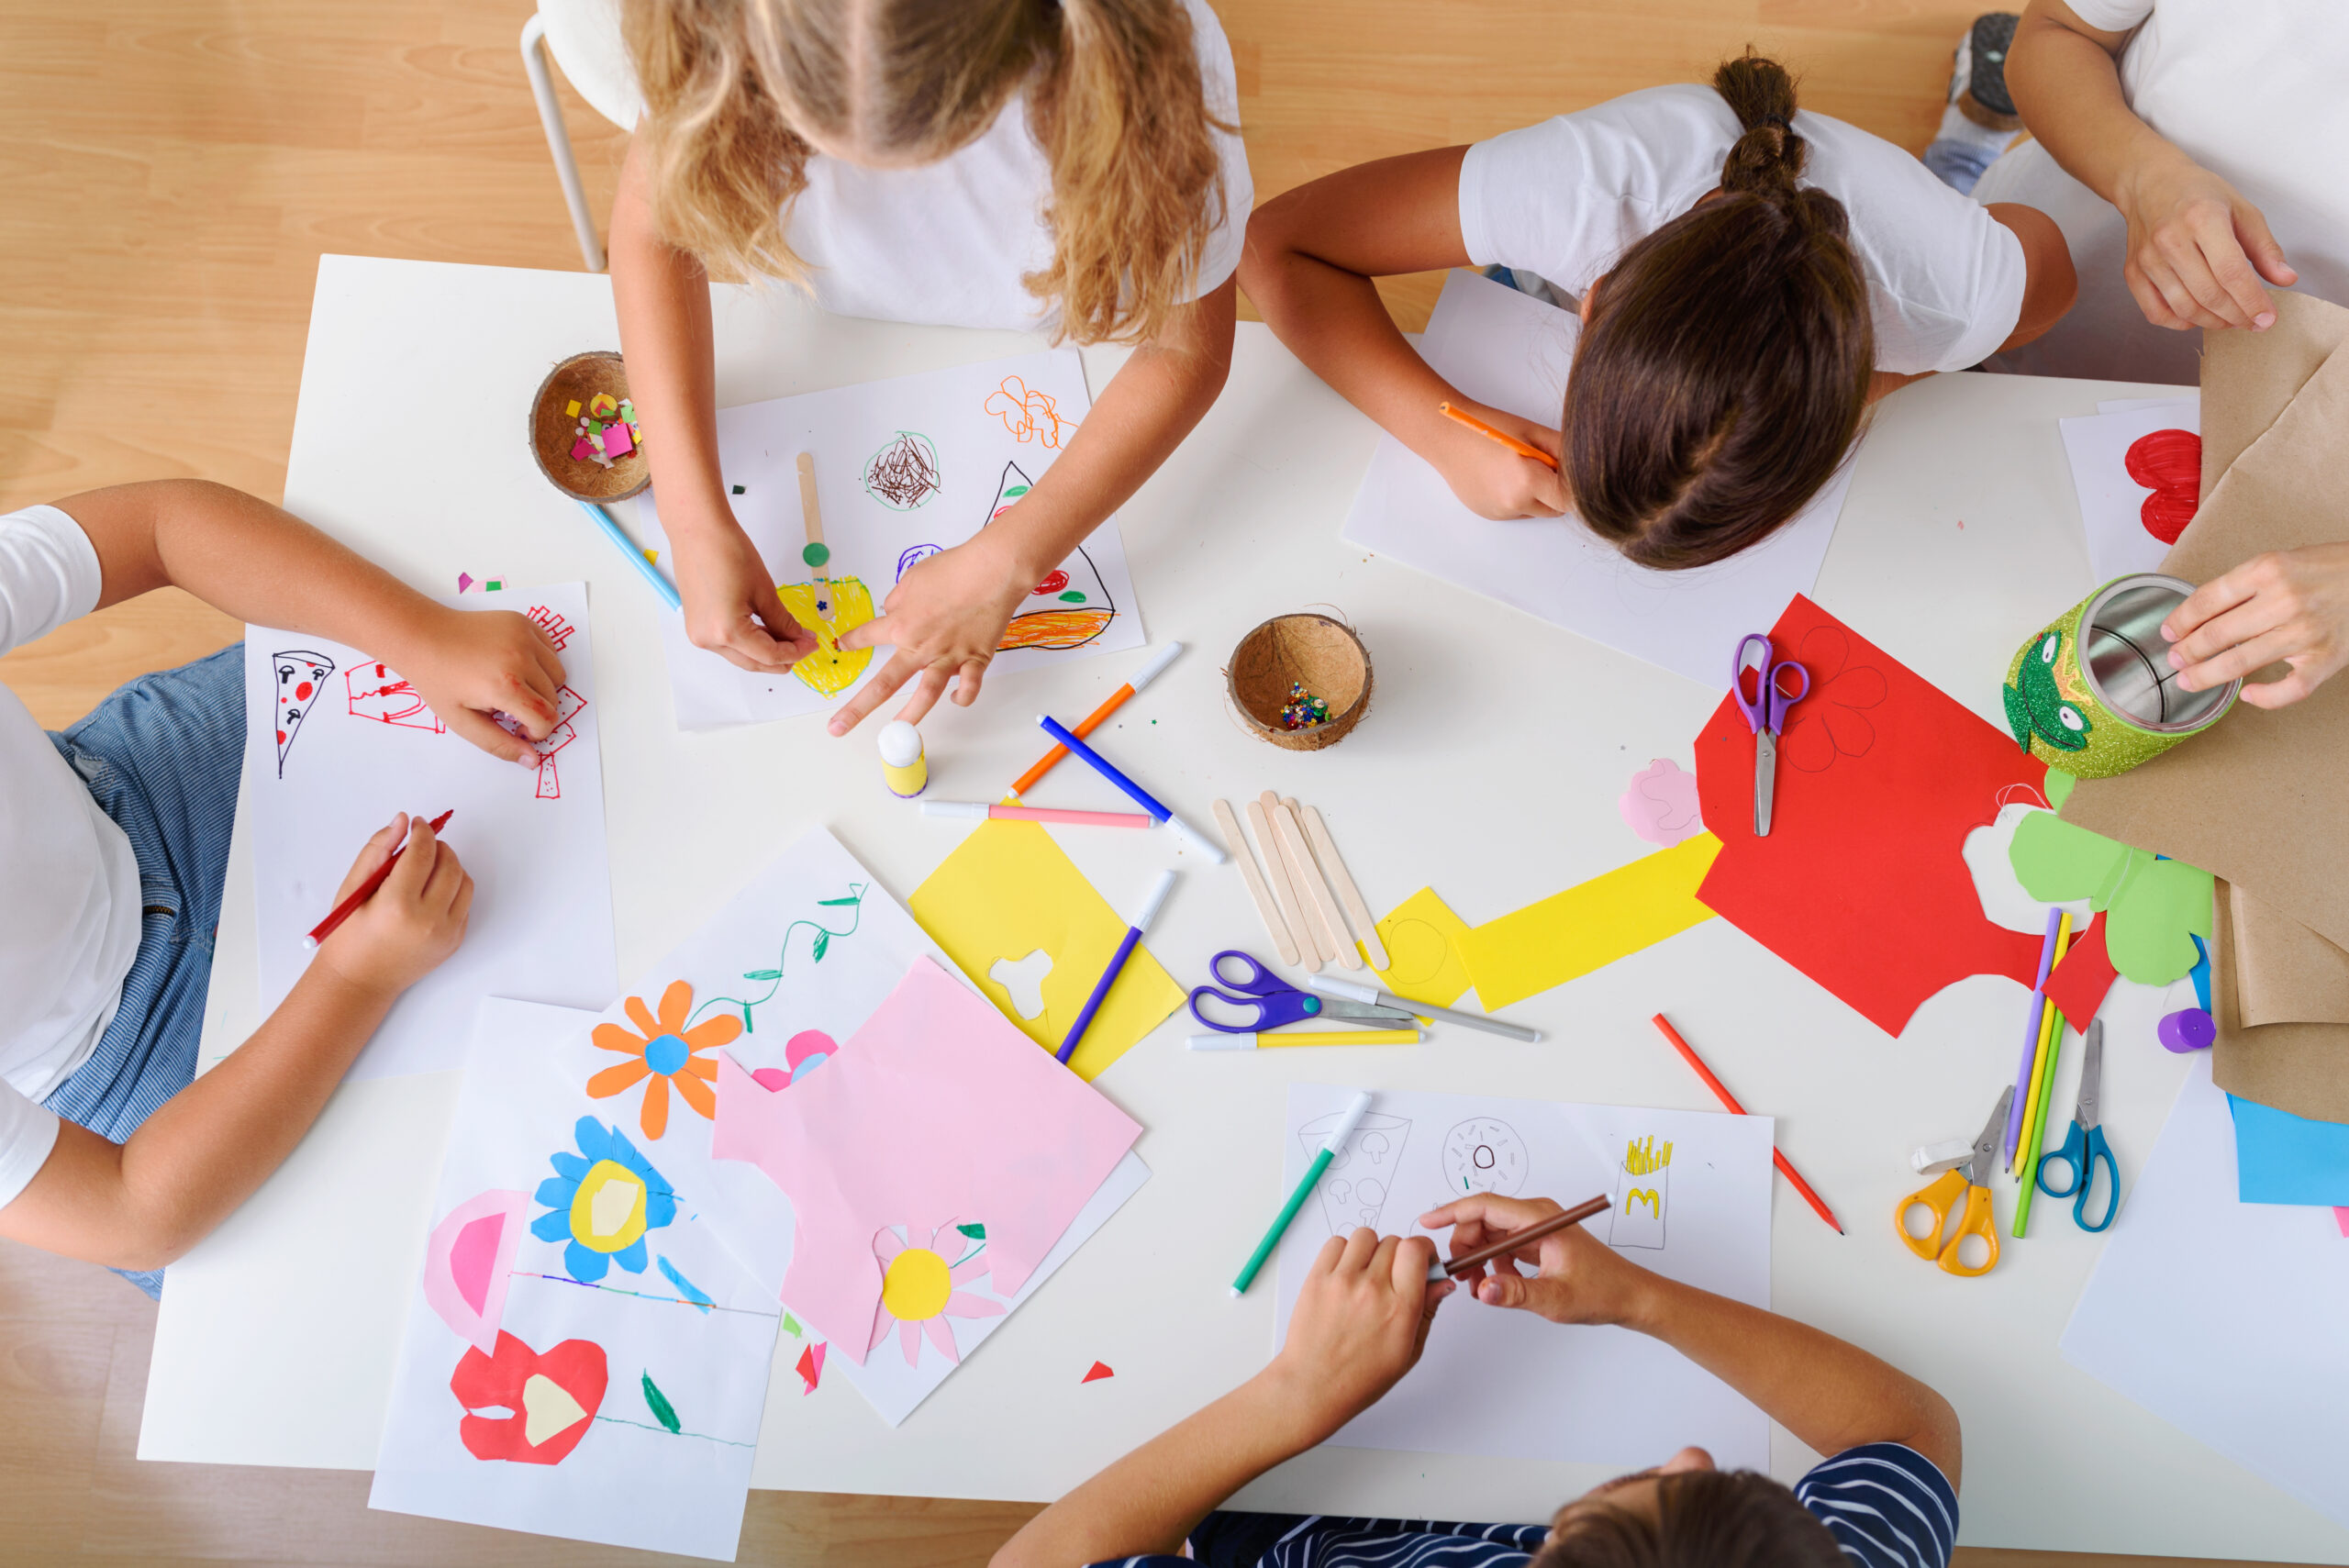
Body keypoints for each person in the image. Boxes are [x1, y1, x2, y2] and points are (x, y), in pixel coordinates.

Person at [610, 0, 1252, 734]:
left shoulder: (1154, 75)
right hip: (826, 328)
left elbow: (1187, 345)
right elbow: (650, 224)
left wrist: (1014, 556)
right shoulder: (715, 29)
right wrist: (690, 517)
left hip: (1043, 346)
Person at [0, 482, 565, 1295]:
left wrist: (424, 636)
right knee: (411, 1256)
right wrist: (353, 977)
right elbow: (131, 1212)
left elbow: (162, 527)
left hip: (141, 788)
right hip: (116, 1086)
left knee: (478, 649)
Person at [1240, 51, 2074, 571]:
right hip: (1750, 204)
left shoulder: (1961, 287)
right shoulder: (1575, 191)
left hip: (1919, 231)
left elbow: (2048, 271)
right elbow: (1275, 244)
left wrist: (1889, 374)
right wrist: (1441, 429)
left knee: (1957, 185)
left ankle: (1963, 151)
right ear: (1593, 295)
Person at [992, 1194, 1961, 1568]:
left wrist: (1293, 1393)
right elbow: (1911, 1433)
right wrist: (1640, 1299)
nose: (1694, 1453)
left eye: (1661, 1487)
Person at [1983, 1, 2349, 709]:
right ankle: (1967, 141)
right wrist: (2143, 178)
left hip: (2297, 442)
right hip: (2051, 284)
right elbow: (2053, 35)